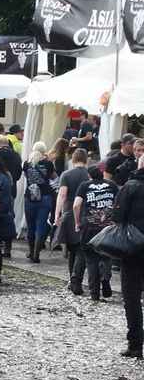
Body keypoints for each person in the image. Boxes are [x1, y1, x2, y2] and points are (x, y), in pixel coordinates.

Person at [113, 152, 144, 359]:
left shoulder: (131, 186)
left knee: (131, 298)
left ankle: (135, 344)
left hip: (133, 249)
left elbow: (117, 216)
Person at [73, 164, 118, 301]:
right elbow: (118, 203)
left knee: (91, 259)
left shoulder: (84, 186)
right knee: (106, 256)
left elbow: (76, 205)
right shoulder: (112, 185)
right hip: (107, 227)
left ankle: (94, 293)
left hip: (89, 227)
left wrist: (77, 222)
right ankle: (105, 278)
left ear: (90, 175)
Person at [54, 149, 91, 294]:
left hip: (70, 213)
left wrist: (57, 214)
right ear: (86, 159)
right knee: (81, 248)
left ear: (73, 159)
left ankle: (72, 279)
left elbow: (62, 195)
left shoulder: (67, 175)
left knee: (72, 249)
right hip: (86, 214)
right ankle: (77, 280)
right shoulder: (89, 175)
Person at [22, 142, 57, 263]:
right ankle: (36, 253)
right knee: (41, 224)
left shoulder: (26, 163)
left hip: (30, 196)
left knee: (30, 225)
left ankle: (31, 251)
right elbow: (53, 177)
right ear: (44, 151)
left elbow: (27, 177)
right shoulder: (48, 163)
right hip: (45, 196)